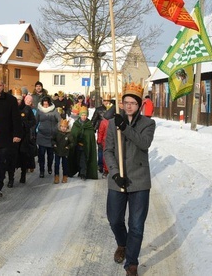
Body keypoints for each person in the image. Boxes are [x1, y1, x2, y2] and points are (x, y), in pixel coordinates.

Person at [104, 82, 157, 276]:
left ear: (139, 105)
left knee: (136, 224)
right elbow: (108, 150)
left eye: (133, 103)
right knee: (114, 219)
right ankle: (122, 244)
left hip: (140, 180)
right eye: (126, 102)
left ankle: (132, 263)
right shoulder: (112, 124)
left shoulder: (148, 123)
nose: (128, 106)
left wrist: (125, 127)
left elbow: (144, 143)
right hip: (118, 179)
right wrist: (115, 173)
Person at [8, 93, 37, 185]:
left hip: (24, 137)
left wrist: (25, 124)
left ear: (22, 100)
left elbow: (33, 121)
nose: (17, 101)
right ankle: (11, 179)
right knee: (12, 158)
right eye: (16, 99)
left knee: (23, 156)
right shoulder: (11, 108)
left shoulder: (27, 109)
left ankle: (23, 175)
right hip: (13, 137)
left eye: (19, 99)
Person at [69, 108, 98, 180]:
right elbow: (73, 134)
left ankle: (83, 173)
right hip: (77, 145)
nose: (84, 117)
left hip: (86, 146)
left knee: (83, 159)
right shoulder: (76, 124)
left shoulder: (89, 125)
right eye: (82, 115)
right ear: (80, 115)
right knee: (77, 158)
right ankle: (79, 171)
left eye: (85, 115)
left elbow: (90, 135)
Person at [35, 95, 59, 179]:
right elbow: (36, 122)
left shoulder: (54, 110)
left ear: (49, 103)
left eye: (47, 103)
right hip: (41, 135)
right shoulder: (39, 111)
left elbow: (59, 121)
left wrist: (58, 130)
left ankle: (49, 167)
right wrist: (32, 132)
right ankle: (42, 171)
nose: (45, 105)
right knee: (41, 155)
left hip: (51, 136)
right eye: (44, 103)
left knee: (50, 155)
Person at [52, 119, 72, 184]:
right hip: (57, 151)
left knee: (65, 165)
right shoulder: (57, 133)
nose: (63, 128)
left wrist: (68, 147)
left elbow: (72, 143)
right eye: (62, 127)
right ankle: (56, 176)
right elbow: (53, 139)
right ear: (60, 127)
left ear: (67, 128)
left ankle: (65, 176)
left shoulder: (69, 134)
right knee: (57, 164)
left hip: (65, 152)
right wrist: (54, 144)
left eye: (65, 127)